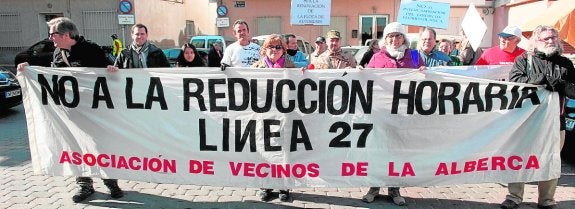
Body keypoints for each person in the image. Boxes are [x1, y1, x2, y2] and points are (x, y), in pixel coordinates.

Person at [17, 17, 124, 203]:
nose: (50, 38)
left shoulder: (91, 50)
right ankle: (84, 185)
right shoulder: (58, 53)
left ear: (65, 35)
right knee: (75, 147)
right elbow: (52, 77)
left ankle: (110, 182)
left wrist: (112, 71)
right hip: (71, 113)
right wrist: (28, 70)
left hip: (95, 112)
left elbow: (110, 75)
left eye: (52, 34)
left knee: (100, 147)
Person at [502, 25, 575, 209]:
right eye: (546, 38)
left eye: (553, 38)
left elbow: (574, 91)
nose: (551, 41)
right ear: (536, 41)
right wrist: (541, 79)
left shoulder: (566, 64)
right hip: (526, 121)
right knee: (520, 158)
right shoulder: (523, 61)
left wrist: (561, 84)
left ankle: (546, 200)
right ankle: (514, 197)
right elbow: (515, 83)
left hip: (555, 123)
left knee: (551, 160)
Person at [363, 22, 424, 206]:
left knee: (397, 150)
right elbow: (366, 81)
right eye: (391, 36)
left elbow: (425, 81)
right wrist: (360, 74)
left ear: (404, 38)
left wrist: (424, 74)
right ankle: (374, 187)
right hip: (380, 113)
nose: (394, 40)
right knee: (377, 150)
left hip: (403, 114)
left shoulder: (413, 56)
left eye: (398, 36)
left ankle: (394, 188)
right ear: (385, 38)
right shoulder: (377, 57)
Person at [250, 34, 295, 202]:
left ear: (283, 50)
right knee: (265, 150)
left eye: (278, 47)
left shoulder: (291, 66)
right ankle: (266, 186)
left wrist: (305, 74)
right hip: (264, 116)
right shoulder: (256, 67)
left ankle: (284, 186)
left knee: (285, 152)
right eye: (271, 47)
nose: (274, 50)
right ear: (265, 49)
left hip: (285, 116)